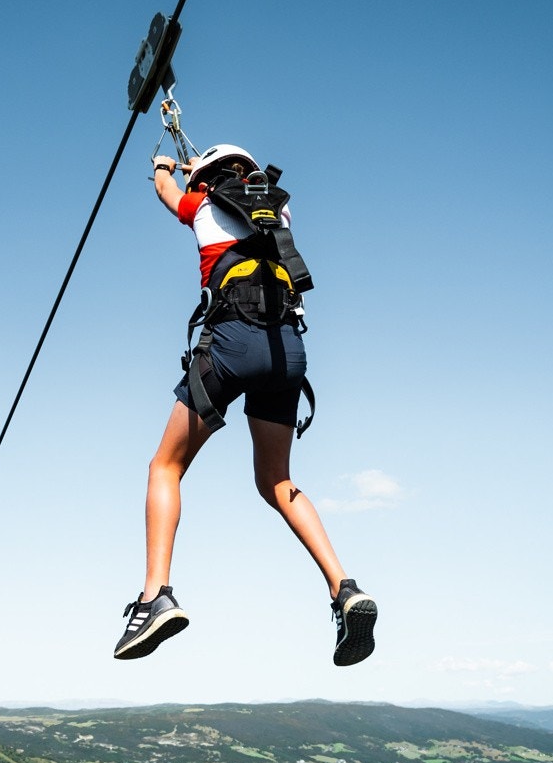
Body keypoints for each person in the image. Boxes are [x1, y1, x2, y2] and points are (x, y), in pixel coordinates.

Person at [113, 143, 377, 667]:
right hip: (288, 351)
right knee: (277, 482)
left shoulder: (202, 205)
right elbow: (236, 187)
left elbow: (170, 194)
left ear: (206, 178)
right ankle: (343, 588)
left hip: (233, 343)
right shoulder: (278, 211)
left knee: (164, 467)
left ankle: (154, 597)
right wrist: (206, 166)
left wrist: (166, 168)